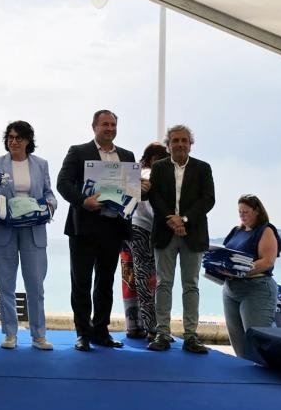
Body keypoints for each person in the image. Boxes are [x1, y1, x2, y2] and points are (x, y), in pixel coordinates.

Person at [56, 110, 139, 352]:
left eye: (113, 124)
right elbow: (63, 184)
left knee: (105, 282)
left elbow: (131, 192)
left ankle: (101, 331)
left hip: (113, 228)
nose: (110, 128)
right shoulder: (78, 151)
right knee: (81, 282)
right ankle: (83, 333)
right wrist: (84, 201)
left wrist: (139, 187)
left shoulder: (127, 155)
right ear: (94, 126)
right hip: (84, 227)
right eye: (105, 124)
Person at [0, 121, 57, 350]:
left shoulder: (41, 164)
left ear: (28, 140)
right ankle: (10, 334)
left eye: (18, 138)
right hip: (4, 229)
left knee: (35, 285)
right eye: (10, 137)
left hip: (33, 230)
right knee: (6, 285)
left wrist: (50, 208)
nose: (13, 142)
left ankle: (39, 335)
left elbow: (49, 194)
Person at [147, 124, 215, 354]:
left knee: (191, 285)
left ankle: (191, 336)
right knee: (164, 284)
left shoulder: (203, 168)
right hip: (165, 232)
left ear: (190, 144)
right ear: (168, 144)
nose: (180, 144)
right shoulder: (159, 167)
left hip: (192, 234)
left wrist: (183, 220)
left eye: (184, 140)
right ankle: (162, 334)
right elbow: (154, 197)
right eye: (175, 140)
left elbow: (208, 200)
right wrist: (172, 220)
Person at [222, 194, 281, 359]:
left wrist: (240, 271)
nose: (242, 215)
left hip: (256, 289)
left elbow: (268, 262)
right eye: (240, 212)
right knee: (239, 344)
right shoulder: (236, 231)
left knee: (258, 342)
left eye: (246, 211)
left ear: (257, 211)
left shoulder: (266, 230)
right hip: (231, 289)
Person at [126, 142, 169, 340]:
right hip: (146, 230)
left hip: (131, 229)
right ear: (154, 160)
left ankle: (135, 325)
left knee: (133, 279)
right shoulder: (150, 175)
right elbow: (154, 209)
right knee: (149, 280)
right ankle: (153, 328)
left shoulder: (137, 174)